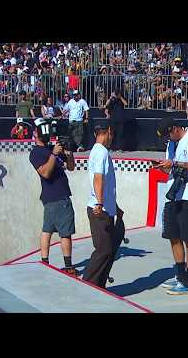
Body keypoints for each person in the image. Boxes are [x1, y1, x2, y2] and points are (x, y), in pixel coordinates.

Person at [154, 117, 188, 295]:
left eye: (169, 134)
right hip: (173, 194)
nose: (168, 140)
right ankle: (180, 275)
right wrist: (163, 167)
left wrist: (175, 163)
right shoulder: (171, 144)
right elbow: (170, 169)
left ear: (175, 128)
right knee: (173, 236)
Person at [28, 118, 77, 276]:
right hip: (58, 197)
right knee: (64, 232)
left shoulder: (51, 148)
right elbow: (45, 173)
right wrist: (53, 155)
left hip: (53, 198)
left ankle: (45, 262)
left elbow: (70, 167)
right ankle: (67, 266)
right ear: (36, 134)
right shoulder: (36, 153)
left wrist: (69, 154)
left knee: (47, 229)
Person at [82, 120, 123, 288]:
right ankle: (87, 285)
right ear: (109, 131)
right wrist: (99, 203)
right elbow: (98, 178)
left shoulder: (97, 151)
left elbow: (106, 185)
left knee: (112, 246)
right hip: (100, 210)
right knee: (103, 250)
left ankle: (99, 285)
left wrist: (116, 208)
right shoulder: (101, 152)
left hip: (107, 208)